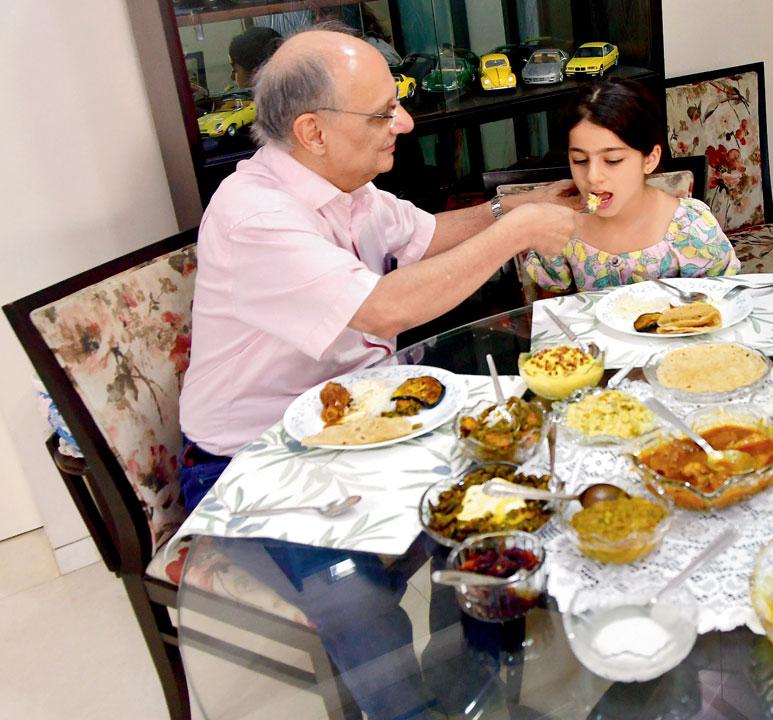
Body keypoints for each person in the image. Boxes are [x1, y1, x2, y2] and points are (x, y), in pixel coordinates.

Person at [177, 29, 575, 720]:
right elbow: (386, 309)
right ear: (313, 130)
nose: (406, 122)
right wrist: (517, 235)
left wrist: (517, 204)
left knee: (499, 509)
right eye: (383, 112)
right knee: (354, 599)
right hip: (256, 457)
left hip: (364, 427)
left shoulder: (346, 184)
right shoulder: (256, 217)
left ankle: (470, 693)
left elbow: (424, 236)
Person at [522, 78, 739, 292]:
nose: (593, 176)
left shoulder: (691, 227)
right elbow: (548, 307)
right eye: (580, 160)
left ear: (649, 159)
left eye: (613, 160)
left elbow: (722, 303)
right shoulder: (560, 227)